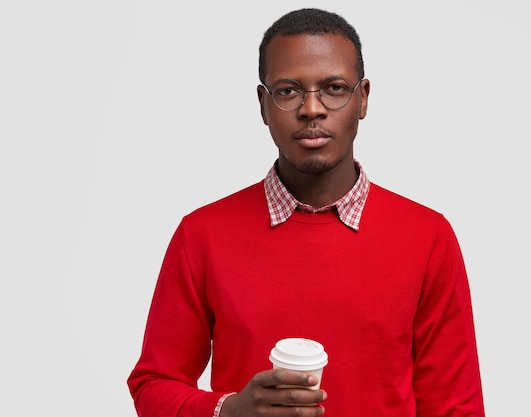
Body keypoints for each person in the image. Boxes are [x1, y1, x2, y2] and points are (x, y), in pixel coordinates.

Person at [128, 8, 485, 417]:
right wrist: (228, 411)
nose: (311, 109)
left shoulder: (428, 237)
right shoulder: (201, 235)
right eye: (288, 91)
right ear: (263, 104)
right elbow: (152, 385)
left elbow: (456, 407)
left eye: (334, 88)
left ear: (363, 98)